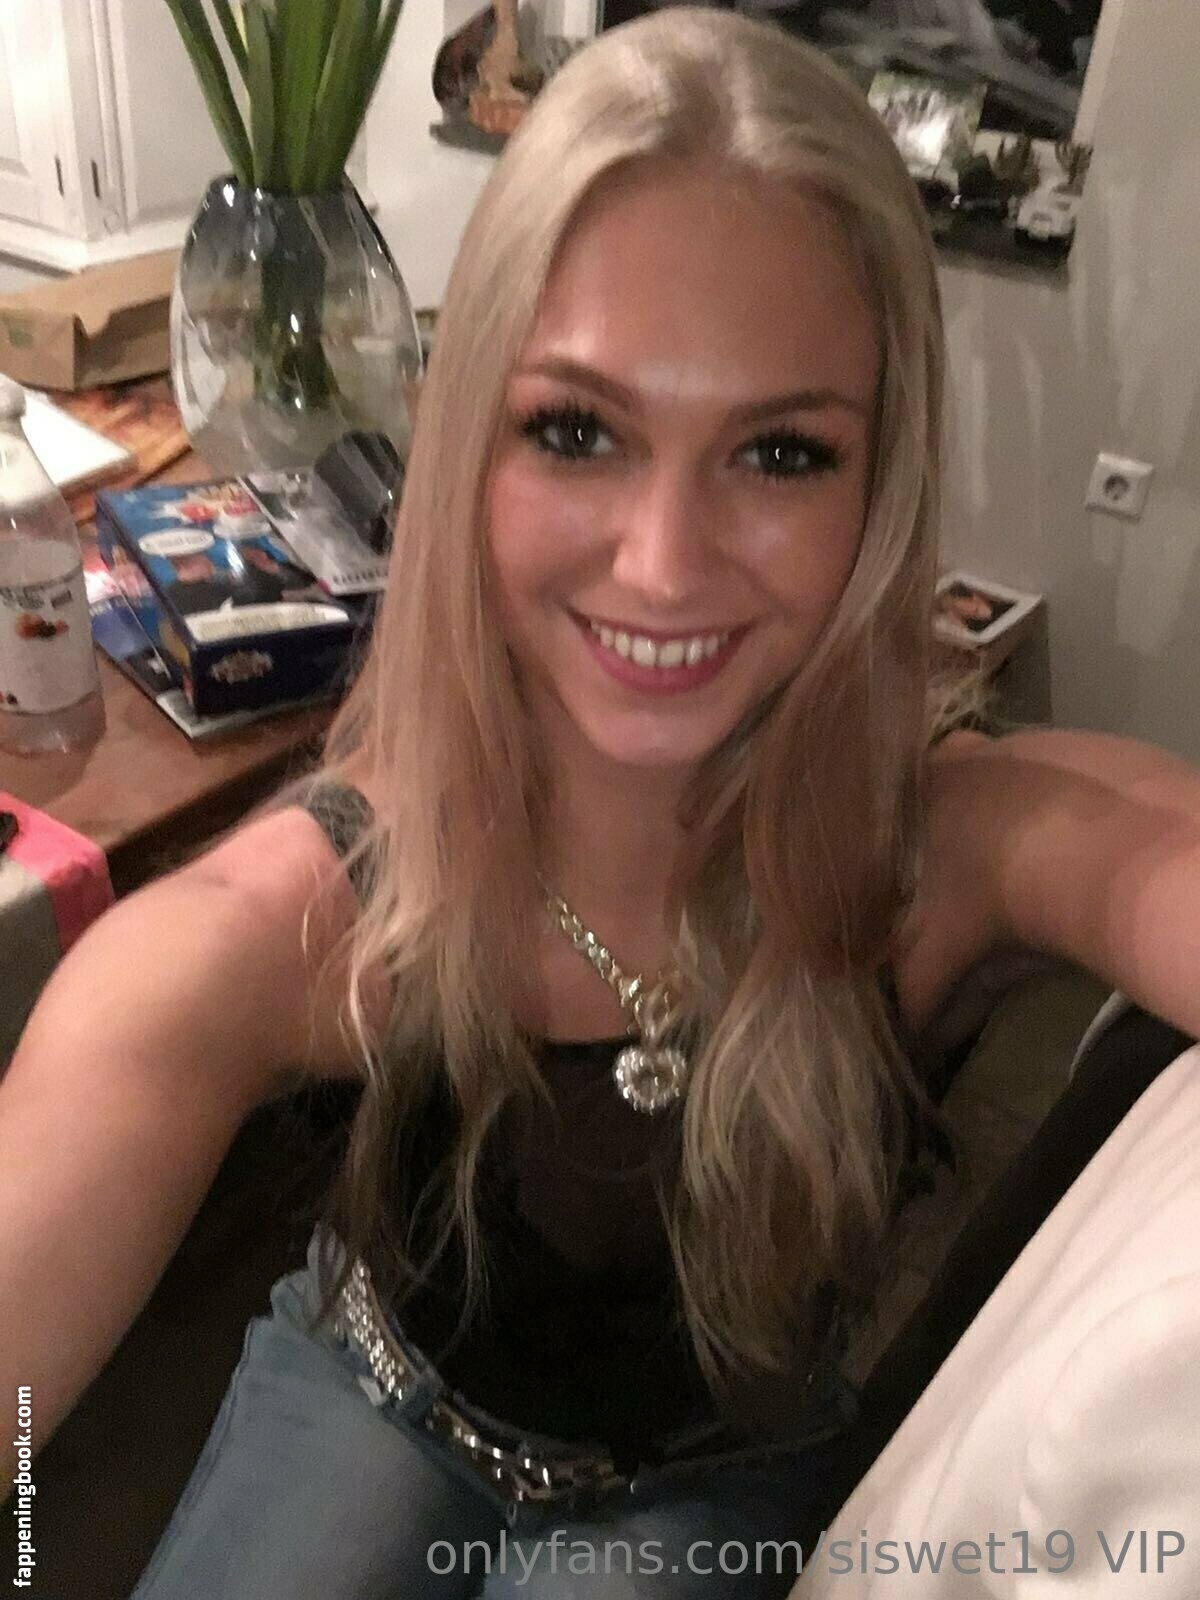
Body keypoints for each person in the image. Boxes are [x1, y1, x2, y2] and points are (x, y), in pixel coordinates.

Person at [2, 7, 1198, 1597]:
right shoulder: (313, 910)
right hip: (373, 1387)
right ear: (465, 443)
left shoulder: (933, 854)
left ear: (880, 480)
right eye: (575, 430)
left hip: (715, 1478)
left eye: (781, 453)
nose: (663, 563)